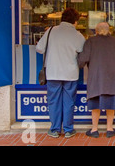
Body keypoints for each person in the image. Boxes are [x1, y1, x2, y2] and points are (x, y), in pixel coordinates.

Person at [36, 8, 85, 138]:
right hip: (70, 73)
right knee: (69, 101)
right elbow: (82, 51)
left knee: (53, 101)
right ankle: (68, 129)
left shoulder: (51, 31)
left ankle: (55, 129)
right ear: (75, 21)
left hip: (53, 72)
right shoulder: (78, 35)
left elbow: (39, 48)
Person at [77, 22, 115, 138]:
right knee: (111, 102)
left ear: (96, 31)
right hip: (114, 77)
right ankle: (109, 129)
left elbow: (82, 61)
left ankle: (94, 130)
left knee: (95, 103)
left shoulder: (90, 42)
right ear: (109, 30)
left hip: (96, 78)